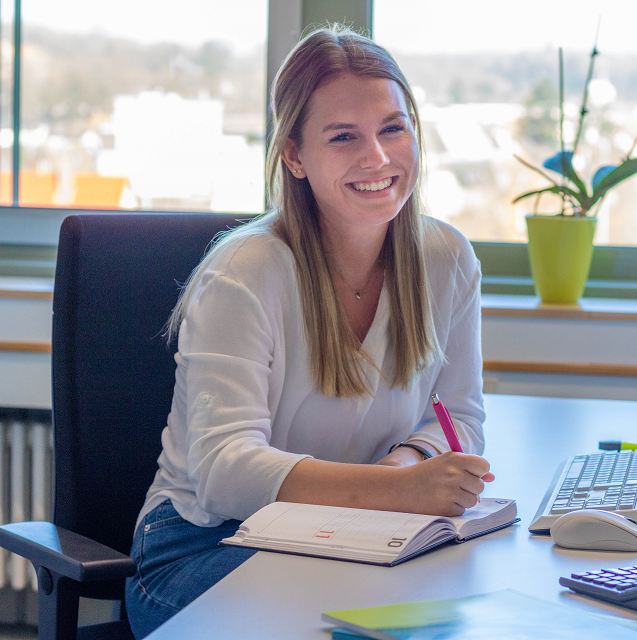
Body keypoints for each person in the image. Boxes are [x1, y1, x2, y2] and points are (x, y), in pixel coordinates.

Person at [124, 26, 493, 638]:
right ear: (294, 155)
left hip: (356, 538)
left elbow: (459, 416)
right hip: (205, 544)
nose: (377, 158)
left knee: (458, 615)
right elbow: (226, 472)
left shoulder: (446, 257)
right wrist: (397, 491)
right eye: (343, 136)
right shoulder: (245, 272)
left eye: (393, 128)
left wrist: (408, 469)